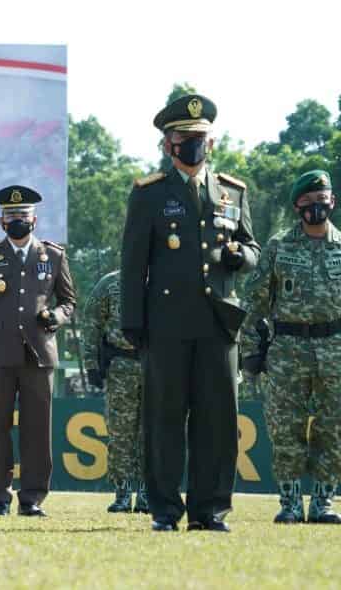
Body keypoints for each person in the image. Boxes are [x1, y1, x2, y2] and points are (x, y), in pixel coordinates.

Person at [121, 94, 259, 532]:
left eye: (200, 138)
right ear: (168, 145)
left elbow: (252, 247)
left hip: (219, 323)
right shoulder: (150, 194)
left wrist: (242, 255)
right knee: (164, 419)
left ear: (211, 142)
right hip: (166, 324)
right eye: (184, 138)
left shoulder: (232, 191)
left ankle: (210, 510)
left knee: (218, 422)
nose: (193, 145)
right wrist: (133, 322)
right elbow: (132, 264)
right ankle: (164, 509)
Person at [0, 185, 75, 518]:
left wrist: (55, 317)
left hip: (38, 355)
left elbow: (69, 302)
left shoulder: (53, 256)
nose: (17, 221)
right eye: (11, 216)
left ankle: (32, 498)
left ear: (35, 219)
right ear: (1, 221)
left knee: (37, 430)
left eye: (23, 216)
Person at [242, 169, 341, 524]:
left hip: (335, 349)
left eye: (322, 198)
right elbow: (254, 302)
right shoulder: (279, 246)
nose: (317, 205)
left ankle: (323, 503)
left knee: (335, 427)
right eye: (309, 201)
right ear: (297, 205)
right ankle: (288, 502)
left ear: (332, 200)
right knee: (286, 427)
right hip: (287, 349)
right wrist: (251, 351)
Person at [80, 270, 147, 513]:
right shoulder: (110, 284)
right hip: (120, 367)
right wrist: (91, 365)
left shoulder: (165, 280)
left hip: (157, 367)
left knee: (152, 433)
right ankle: (122, 491)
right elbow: (92, 324)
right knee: (120, 434)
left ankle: (146, 493)